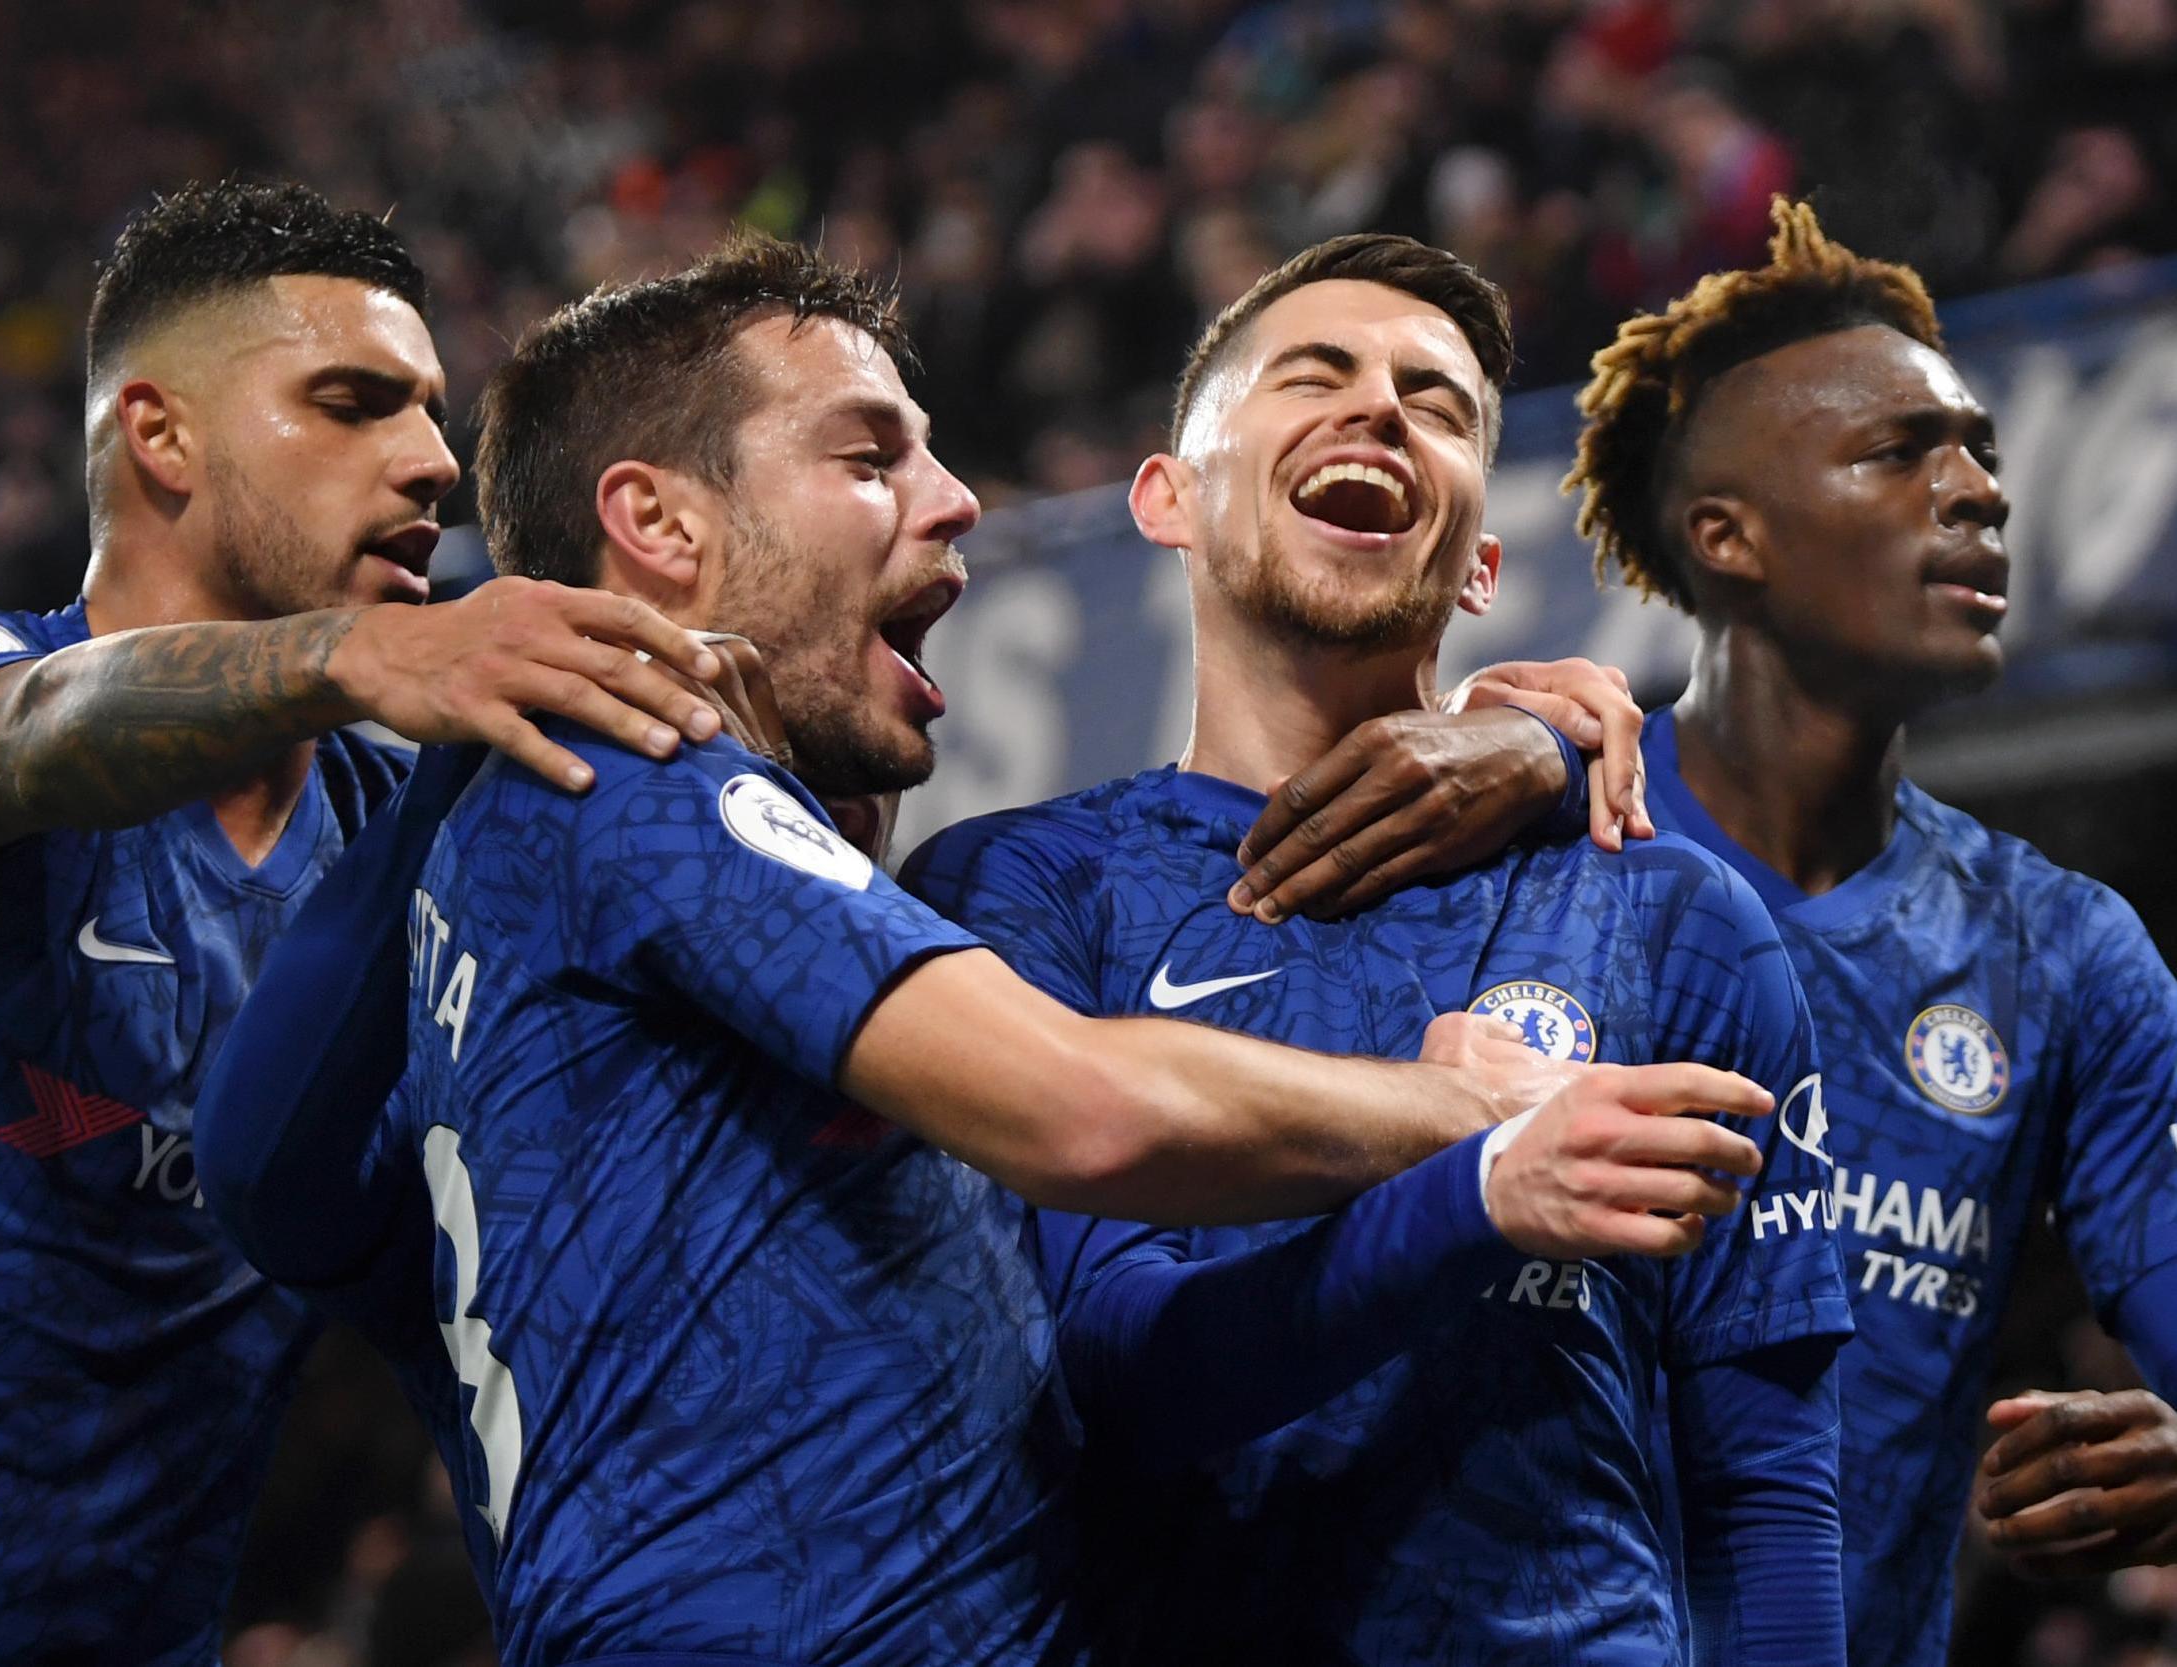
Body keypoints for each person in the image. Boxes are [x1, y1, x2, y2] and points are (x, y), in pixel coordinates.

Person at [193, 232, 1780, 1667]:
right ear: (656, 523)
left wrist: (1552, 756)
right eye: (873, 454)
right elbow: (1086, 1126)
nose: (956, 500)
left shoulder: (599, 895)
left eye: (1434, 403)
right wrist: (1470, 1134)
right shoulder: (677, 793)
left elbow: (268, 1179)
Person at [897, 232, 1854, 1665]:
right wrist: (1473, 1187)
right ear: (1167, 498)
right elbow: (1106, 1372)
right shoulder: (1025, 890)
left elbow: (1768, 1478)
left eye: (1437, 401)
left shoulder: (1667, 913)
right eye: (1311, 374)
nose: (1380, 410)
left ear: (1478, 558)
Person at [0, 179, 753, 1666]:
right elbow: (32, 734)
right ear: (161, 434)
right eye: (351, 402)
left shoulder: (408, 828)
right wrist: (355, 652)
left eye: (433, 413)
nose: (431, 462)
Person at [1554, 195, 2177, 1667]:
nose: (1977, 493)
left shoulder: (2061, 952)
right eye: (1902, 452)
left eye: (1978, 453)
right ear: (1727, 535)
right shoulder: (1531, 852)